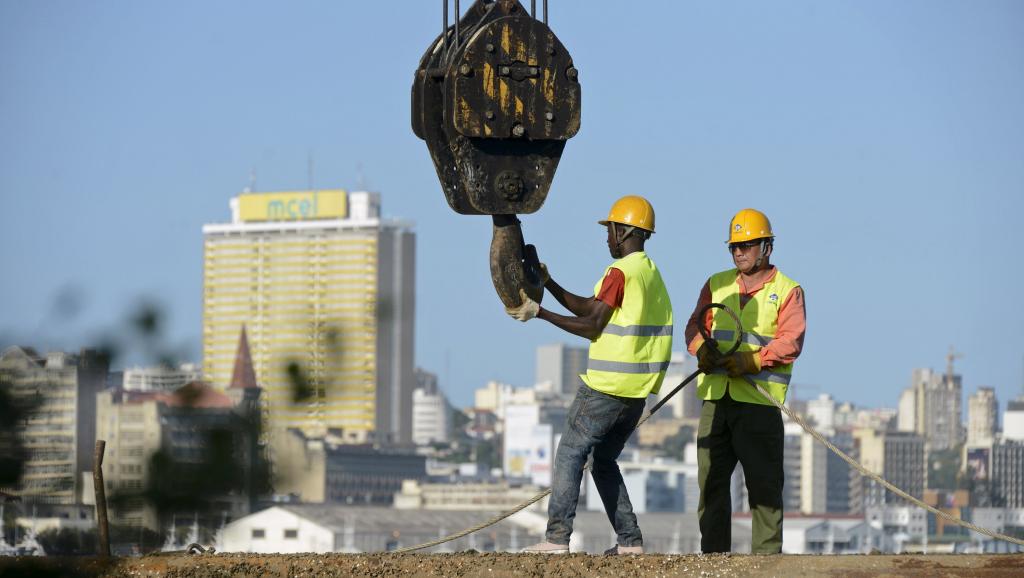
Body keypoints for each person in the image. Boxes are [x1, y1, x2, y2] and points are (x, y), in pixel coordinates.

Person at [506, 195, 673, 555]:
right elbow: (590, 307)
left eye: (610, 230)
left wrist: (539, 314)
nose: (607, 238)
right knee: (603, 461)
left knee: (569, 454)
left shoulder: (620, 272)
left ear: (623, 230)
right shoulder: (649, 274)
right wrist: (548, 284)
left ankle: (555, 539)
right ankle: (630, 543)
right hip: (634, 396)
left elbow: (592, 324)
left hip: (605, 389)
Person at [684, 208, 806, 554]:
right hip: (716, 402)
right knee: (711, 488)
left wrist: (753, 360)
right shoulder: (716, 283)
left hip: (758, 405)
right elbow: (695, 325)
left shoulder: (788, 291)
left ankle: (765, 566)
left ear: (767, 246)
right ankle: (713, 561)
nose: (740, 252)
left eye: (748, 245)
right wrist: (700, 349)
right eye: (735, 246)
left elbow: (790, 341)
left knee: (764, 491)